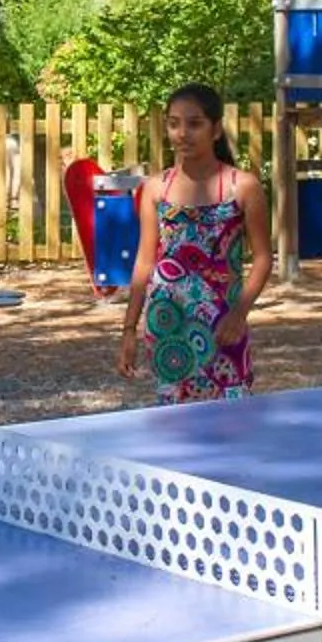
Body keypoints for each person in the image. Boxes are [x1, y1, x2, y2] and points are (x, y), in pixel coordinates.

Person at [116, 83, 272, 402]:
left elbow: (263, 258)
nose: (182, 133)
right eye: (174, 123)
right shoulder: (155, 188)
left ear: (215, 130)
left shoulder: (242, 186)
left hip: (223, 324)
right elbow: (145, 261)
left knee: (232, 416)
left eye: (194, 123)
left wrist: (239, 313)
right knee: (173, 424)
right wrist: (129, 329)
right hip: (166, 322)